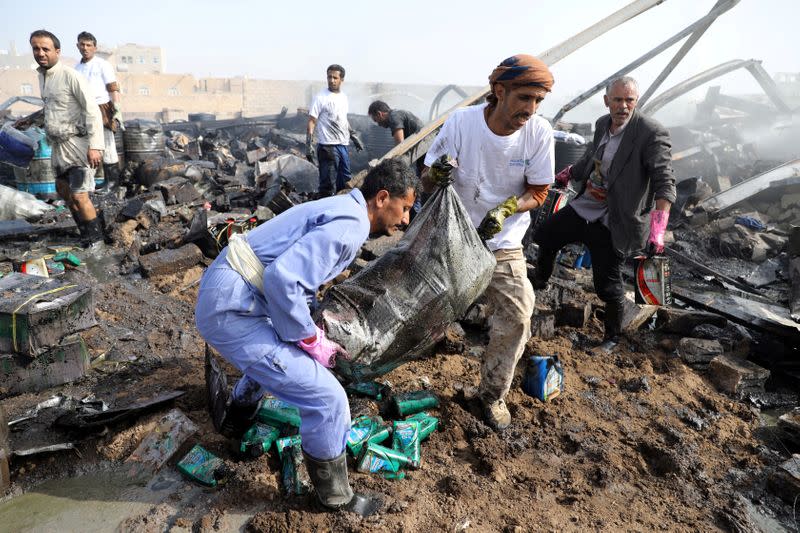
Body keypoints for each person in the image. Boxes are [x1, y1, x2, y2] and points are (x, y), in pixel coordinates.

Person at [195, 158, 418, 514]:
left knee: (282, 345)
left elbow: (288, 280)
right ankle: (335, 498)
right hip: (231, 308)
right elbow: (283, 280)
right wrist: (310, 339)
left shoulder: (345, 208)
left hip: (230, 288)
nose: (404, 220)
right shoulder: (351, 227)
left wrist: (300, 331)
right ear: (382, 197)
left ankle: (237, 418)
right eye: (404, 208)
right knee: (328, 400)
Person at [422, 54, 556, 431]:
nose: (530, 109)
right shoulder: (463, 123)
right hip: (452, 235)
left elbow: (540, 191)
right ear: (499, 92)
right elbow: (426, 180)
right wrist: (435, 173)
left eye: (537, 101)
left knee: (518, 314)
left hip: (503, 242)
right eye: (523, 98)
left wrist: (509, 206)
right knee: (414, 306)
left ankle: (492, 395)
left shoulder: (538, 132)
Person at [533, 76, 676, 351]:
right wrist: (567, 174)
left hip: (617, 219)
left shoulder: (649, 132)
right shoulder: (602, 124)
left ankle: (611, 339)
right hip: (588, 205)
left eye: (630, 100)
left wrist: (658, 232)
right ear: (607, 101)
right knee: (547, 234)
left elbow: (664, 182)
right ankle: (540, 279)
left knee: (607, 286)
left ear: (636, 101)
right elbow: (591, 159)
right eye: (618, 100)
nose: (624, 106)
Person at [29, 29, 104, 244]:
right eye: (36, 48)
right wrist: (30, 120)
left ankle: (97, 242)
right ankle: (85, 236)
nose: (41, 53)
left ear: (57, 51)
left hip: (77, 145)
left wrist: (96, 146)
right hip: (58, 146)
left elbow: (92, 110)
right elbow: (52, 108)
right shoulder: (42, 77)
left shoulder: (71, 76)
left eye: (45, 49)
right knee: (65, 193)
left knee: (81, 196)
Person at [306, 64, 364, 197]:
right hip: (327, 147)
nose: (331, 80)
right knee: (327, 185)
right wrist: (308, 144)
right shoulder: (320, 97)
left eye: (335, 77)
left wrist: (353, 136)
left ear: (341, 80)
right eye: (329, 77)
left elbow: (343, 119)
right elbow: (311, 121)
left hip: (342, 145)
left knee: (345, 182)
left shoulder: (343, 97)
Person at [74, 31, 121, 191]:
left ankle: (113, 182)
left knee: (107, 144)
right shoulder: (77, 68)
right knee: (89, 145)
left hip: (102, 107)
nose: (85, 48)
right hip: (84, 110)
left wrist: (117, 108)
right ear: (77, 46)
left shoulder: (102, 64)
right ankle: (91, 182)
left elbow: (112, 87)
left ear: (94, 47)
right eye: (82, 45)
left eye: (88, 45)